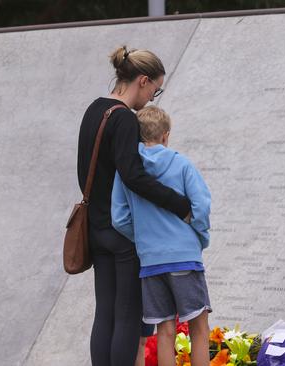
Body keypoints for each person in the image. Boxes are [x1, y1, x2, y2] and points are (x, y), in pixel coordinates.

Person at [77, 45, 191, 366]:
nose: (152, 99)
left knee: (105, 315)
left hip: (97, 230)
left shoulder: (93, 110)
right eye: (154, 91)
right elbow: (134, 176)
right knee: (127, 317)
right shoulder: (126, 120)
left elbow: (83, 170)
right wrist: (177, 202)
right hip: (123, 233)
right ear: (142, 80)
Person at [111, 106, 212, 366]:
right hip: (184, 257)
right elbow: (201, 206)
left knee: (164, 331)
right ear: (166, 135)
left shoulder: (125, 172)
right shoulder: (181, 163)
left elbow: (119, 218)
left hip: (151, 263)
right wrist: (199, 237)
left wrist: (144, 240)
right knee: (199, 328)